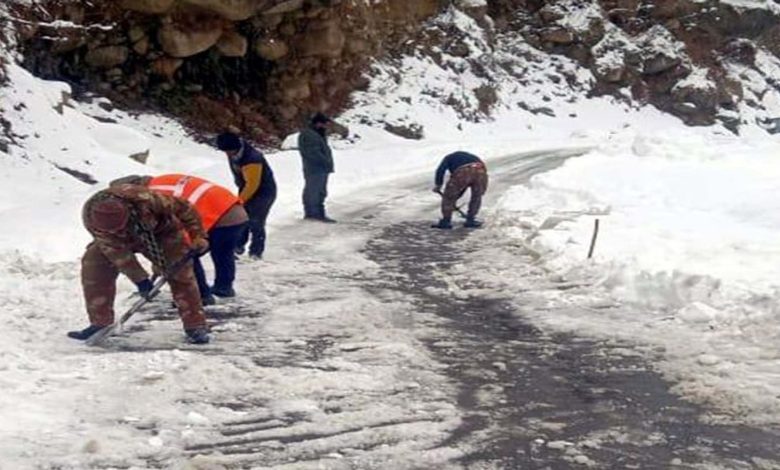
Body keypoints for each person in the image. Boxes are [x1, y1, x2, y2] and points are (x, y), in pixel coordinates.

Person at [69, 184, 211, 344]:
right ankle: (100, 323)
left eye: (119, 228)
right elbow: (117, 253)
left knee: (181, 275)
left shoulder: (146, 200)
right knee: (94, 265)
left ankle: (195, 325)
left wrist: (198, 235)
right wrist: (141, 281)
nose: (117, 232)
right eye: (112, 230)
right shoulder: (91, 217)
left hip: (162, 233)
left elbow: (185, 207)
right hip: (116, 244)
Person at [111, 174, 249, 303]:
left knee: (185, 254)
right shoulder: (163, 181)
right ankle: (223, 288)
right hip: (235, 211)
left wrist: (163, 260)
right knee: (222, 254)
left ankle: (201, 296)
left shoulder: (152, 194)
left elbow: (173, 224)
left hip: (218, 215)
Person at [215, 132, 277, 259]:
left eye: (228, 151)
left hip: (264, 192)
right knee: (241, 218)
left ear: (235, 147)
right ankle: (238, 245)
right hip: (246, 188)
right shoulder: (234, 152)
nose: (226, 154)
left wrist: (240, 200)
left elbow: (253, 184)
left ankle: (256, 251)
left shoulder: (252, 158)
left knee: (256, 221)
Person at [432, 151, 489, 229]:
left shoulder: (448, 158)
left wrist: (438, 185)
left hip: (463, 171)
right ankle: (471, 220)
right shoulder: (473, 157)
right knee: (477, 196)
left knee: (448, 197)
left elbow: (440, 170)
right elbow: (466, 183)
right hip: (480, 170)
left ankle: (446, 221)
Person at [298, 112, 336, 223]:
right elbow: (313, 153)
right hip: (315, 168)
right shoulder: (310, 135)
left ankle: (316, 212)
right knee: (315, 191)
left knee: (318, 191)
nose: (326, 127)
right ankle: (314, 213)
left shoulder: (316, 133)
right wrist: (325, 162)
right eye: (324, 124)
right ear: (318, 123)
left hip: (319, 168)